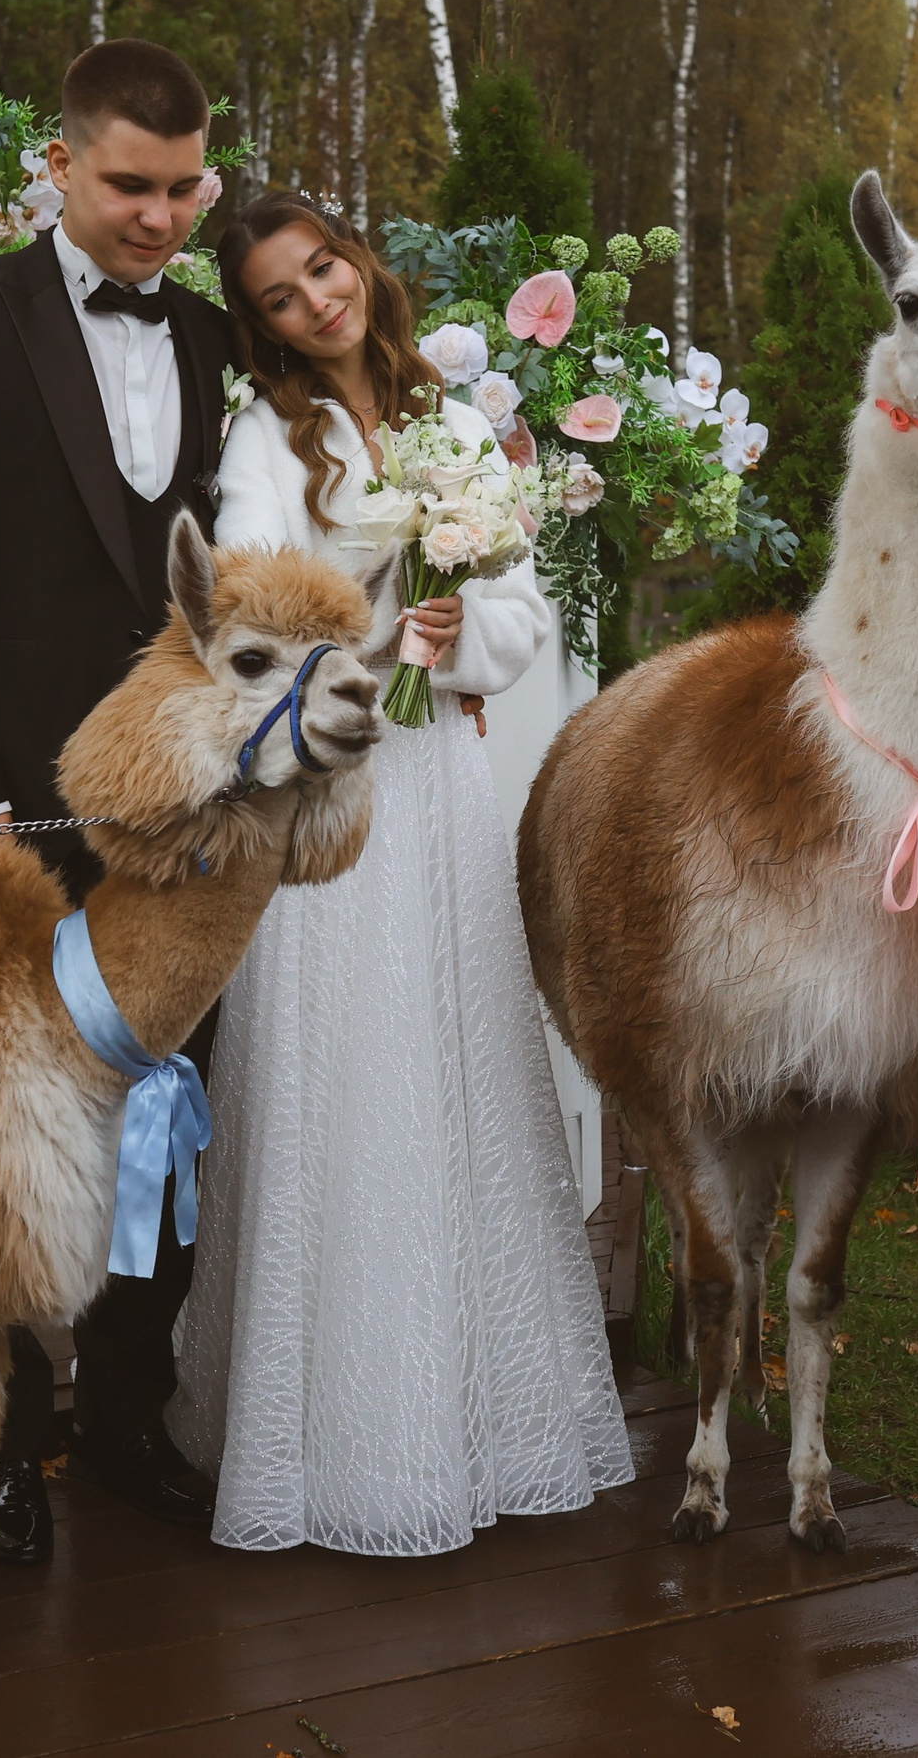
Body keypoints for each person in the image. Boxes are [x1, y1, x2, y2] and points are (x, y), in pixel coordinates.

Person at [166, 193, 634, 1554]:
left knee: (459, 1064)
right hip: (335, 791)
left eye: (324, 267)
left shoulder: (458, 413)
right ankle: (334, 1442)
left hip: (441, 792)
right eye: (281, 297)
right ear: (263, 330)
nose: (320, 302)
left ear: (357, 260)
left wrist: (461, 624)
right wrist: (378, 603)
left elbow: (523, 609)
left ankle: (486, 1417)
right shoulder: (272, 437)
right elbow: (248, 602)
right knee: (351, 1074)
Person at [0, 38, 235, 1562]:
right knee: (1, 1144)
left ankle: (130, 1417)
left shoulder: (216, 340)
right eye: (130, 186)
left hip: (189, 827)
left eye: (184, 189)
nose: (158, 217)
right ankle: (2, 1445)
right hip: (3, 822)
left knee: (165, 1122)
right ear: (63, 166)